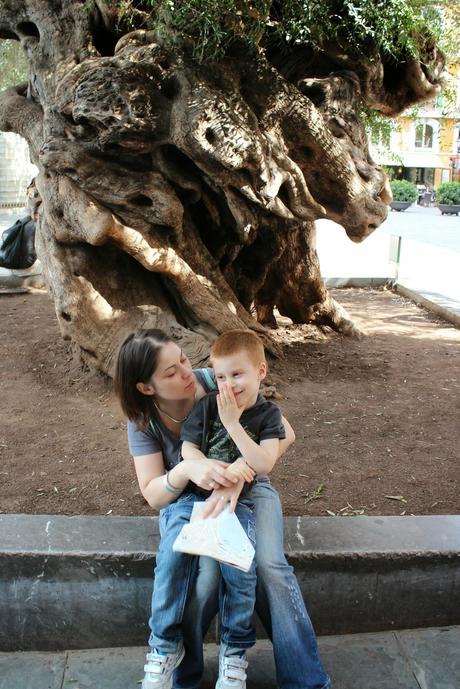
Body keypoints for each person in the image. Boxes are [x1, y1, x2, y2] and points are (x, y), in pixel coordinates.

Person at [114, 328, 330, 689]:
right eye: (170, 372)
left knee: (269, 566)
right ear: (146, 387)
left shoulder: (217, 379)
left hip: (250, 489)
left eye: (182, 359)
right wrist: (186, 469)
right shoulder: (143, 421)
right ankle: (182, 670)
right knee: (205, 578)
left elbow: (284, 433)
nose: (186, 372)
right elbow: (154, 495)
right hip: (190, 498)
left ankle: (305, 680)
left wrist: (240, 475)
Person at [142, 329, 287, 689]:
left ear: (261, 371)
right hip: (196, 496)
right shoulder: (206, 405)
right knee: (177, 560)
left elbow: (264, 461)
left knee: (242, 567)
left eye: (236, 375)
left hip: (242, 501)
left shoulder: (263, 412)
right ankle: (164, 650)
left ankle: (234, 653)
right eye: (221, 376)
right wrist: (211, 468)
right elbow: (188, 451)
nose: (226, 383)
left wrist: (235, 428)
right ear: (146, 387)